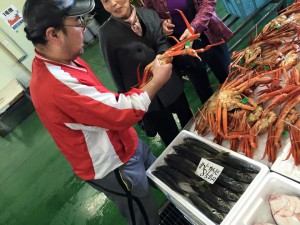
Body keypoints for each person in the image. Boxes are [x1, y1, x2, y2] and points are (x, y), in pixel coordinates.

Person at [22, 0, 174, 224]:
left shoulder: (63, 60)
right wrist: (157, 81)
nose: (84, 28)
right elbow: (121, 111)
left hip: (126, 143)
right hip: (114, 165)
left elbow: (105, 103)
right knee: (144, 214)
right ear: (53, 34)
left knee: (163, 177)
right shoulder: (56, 86)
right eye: (78, 22)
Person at [98, 0, 193, 146]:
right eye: (106, 1)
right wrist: (129, 101)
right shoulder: (106, 34)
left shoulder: (150, 15)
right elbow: (114, 71)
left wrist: (162, 56)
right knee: (170, 137)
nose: (114, 4)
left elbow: (163, 41)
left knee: (189, 120)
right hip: (146, 95)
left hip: (170, 82)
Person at [144, 0, 234, 104]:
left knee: (229, 79)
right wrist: (161, 23)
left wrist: (194, 27)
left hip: (209, 34)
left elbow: (208, 3)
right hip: (182, 46)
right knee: (204, 93)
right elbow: (149, 13)